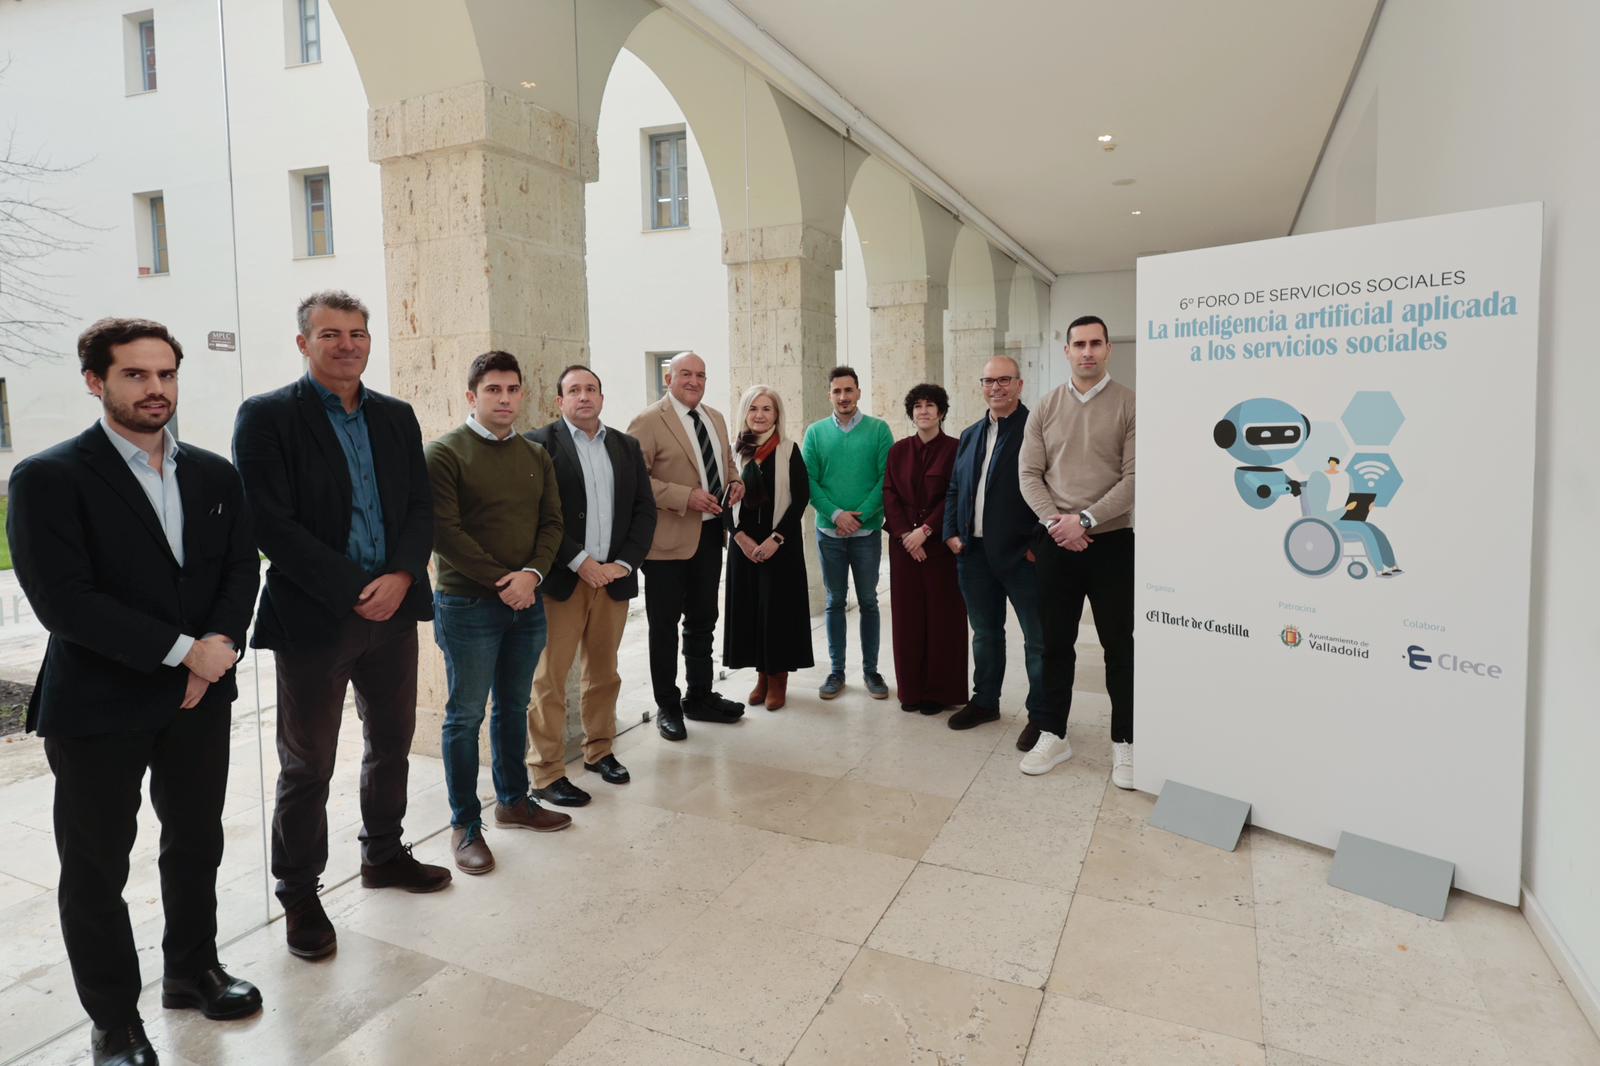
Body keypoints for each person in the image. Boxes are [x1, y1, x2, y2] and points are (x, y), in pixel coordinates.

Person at [8, 318, 263, 1066]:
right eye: (135, 374)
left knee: (197, 841)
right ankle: (114, 1020)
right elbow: (65, 601)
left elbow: (238, 570)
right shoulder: (49, 477)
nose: (156, 389)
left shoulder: (214, 473)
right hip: (98, 705)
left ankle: (192, 970)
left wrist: (215, 653)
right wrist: (186, 654)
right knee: (96, 869)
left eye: (166, 374)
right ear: (96, 381)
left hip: (200, 701)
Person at [233, 290, 451, 963]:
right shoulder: (268, 416)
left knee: (392, 741)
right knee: (308, 764)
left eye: (357, 333)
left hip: (393, 611)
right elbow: (269, 522)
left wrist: (403, 575)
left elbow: (419, 506)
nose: (347, 344)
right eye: (331, 334)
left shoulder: (394, 415)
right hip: (315, 617)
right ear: (304, 343)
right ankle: (299, 892)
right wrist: (355, 587)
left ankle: (383, 853)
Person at [425, 350, 573, 875]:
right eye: (493, 390)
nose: (504, 399)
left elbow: (552, 523)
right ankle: (465, 824)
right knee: (465, 715)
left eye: (512, 390)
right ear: (472, 396)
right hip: (467, 604)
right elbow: (444, 533)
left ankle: (512, 802)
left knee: (513, 706)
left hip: (525, 602)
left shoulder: (535, 454)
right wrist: (503, 582)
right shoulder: (443, 453)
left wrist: (530, 575)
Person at [526, 365, 657, 803]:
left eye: (591, 389)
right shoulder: (538, 445)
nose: (584, 396)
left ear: (602, 398)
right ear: (559, 400)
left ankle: (600, 751)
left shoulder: (626, 445)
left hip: (612, 581)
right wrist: (580, 561)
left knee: (604, 673)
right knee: (550, 678)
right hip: (563, 580)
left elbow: (644, 510)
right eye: (574, 390)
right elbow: (537, 514)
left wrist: (623, 564)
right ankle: (546, 772)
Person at [1018, 315, 1137, 787]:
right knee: (1054, 644)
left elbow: (1135, 477)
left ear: (1108, 349)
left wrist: (1084, 520)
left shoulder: (1130, 403)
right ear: (1066, 351)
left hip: (1111, 543)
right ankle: (1053, 733)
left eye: (1095, 343)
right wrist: (1057, 523)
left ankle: (1126, 740)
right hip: (1056, 542)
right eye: (1079, 344)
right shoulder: (1046, 407)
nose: (1087, 352)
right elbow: (1029, 474)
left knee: (1118, 646)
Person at [627, 351, 746, 741]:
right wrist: (684, 496)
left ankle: (700, 696)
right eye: (686, 374)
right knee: (664, 627)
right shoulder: (648, 421)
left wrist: (736, 481)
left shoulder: (715, 417)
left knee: (703, 620)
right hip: (666, 544)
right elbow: (634, 480)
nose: (694, 381)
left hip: (710, 537)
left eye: (701, 375)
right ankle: (668, 705)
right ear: (669, 378)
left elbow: (726, 462)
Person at [944, 356, 1048, 748]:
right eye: (989, 381)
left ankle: (1041, 715)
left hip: (1022, 556)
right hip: (973, 554)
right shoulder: (970, 434)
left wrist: (1036, 544)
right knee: (985, 634)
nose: (996, 387)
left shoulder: (1037, 430)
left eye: (1004, 380)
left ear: (1020, 385)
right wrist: (951, 532)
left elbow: (1054, 488)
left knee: (1037, 641)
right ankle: (985, 702)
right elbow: (955, 488)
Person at [801, 366, 896, 700]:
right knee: (834, 602)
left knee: (869, 601)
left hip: (866, 534)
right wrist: (837, 515)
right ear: (829, 395)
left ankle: (871, 672)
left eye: (848, 390)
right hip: (829, 534)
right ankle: (837, 671)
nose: (843, 397)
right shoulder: (815, 433)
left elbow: (886, 478)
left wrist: (860, 517)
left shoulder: (879, 431)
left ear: (858, 392)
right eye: (837, 391)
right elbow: (808, 481)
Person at [722, 385, 813, 710]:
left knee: (777, 614)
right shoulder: (734, 452)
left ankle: (778, 679)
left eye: (766, 409)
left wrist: (776, 539)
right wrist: (739, 537)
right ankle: (761, 677)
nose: (759, 415)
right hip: (744, 547)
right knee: (751, 612)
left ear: (776, 415)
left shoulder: (788, 450)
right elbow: (722, 498)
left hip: (780, 546)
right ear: (744, 412)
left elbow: (800, 498)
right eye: (753, 408)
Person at [883, 384, 967, 714]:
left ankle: (938, 693)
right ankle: (911, 691)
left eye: (930, 405)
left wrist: (926, 531)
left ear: (941, 412)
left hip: (940, 547)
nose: (923, 411)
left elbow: (955, 494)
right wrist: (907, 535)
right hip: (904, 547)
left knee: (942, 619)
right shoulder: (898, 450)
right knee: (907, 620)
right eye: (917, 406)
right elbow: (890, 493)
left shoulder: (957, 448)